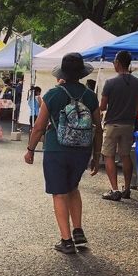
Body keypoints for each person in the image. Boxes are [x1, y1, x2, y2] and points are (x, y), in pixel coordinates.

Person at [24, 53, 102, 254]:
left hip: (56, 149)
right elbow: (98, 128)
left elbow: (39, 127)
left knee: (59, 192)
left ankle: (66, 240)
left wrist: (30, 150)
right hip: (82, 151)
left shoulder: (52, 94)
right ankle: (78, 229)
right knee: (73, 188)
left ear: (63, 72)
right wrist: (97, 153)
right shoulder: (90, 96)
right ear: (81, 73)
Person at [99, 50, 138, 201]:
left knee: (109, 155)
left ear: (117, 63)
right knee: (125, 155)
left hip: (112, 124)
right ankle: (127, 188)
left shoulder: (110, 83)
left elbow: (103, 106)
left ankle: (115, 189)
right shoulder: (137, 83)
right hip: (129, 124)